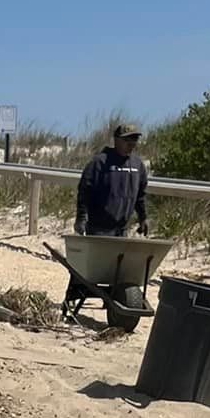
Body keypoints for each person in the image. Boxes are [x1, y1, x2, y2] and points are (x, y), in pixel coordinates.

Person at [66, 122, 150, 309]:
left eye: (135, 139)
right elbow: (84, 191)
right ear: (117, 140)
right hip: (98, 226)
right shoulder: (100, 162)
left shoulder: (137, 165)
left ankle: (113, 303)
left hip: (121, 228)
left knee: (118, 270)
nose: (132, 143)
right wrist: (81, 218)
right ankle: (72, 298)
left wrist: (143, 217)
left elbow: (140, 195)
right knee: (90, 269)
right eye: (128, 139)